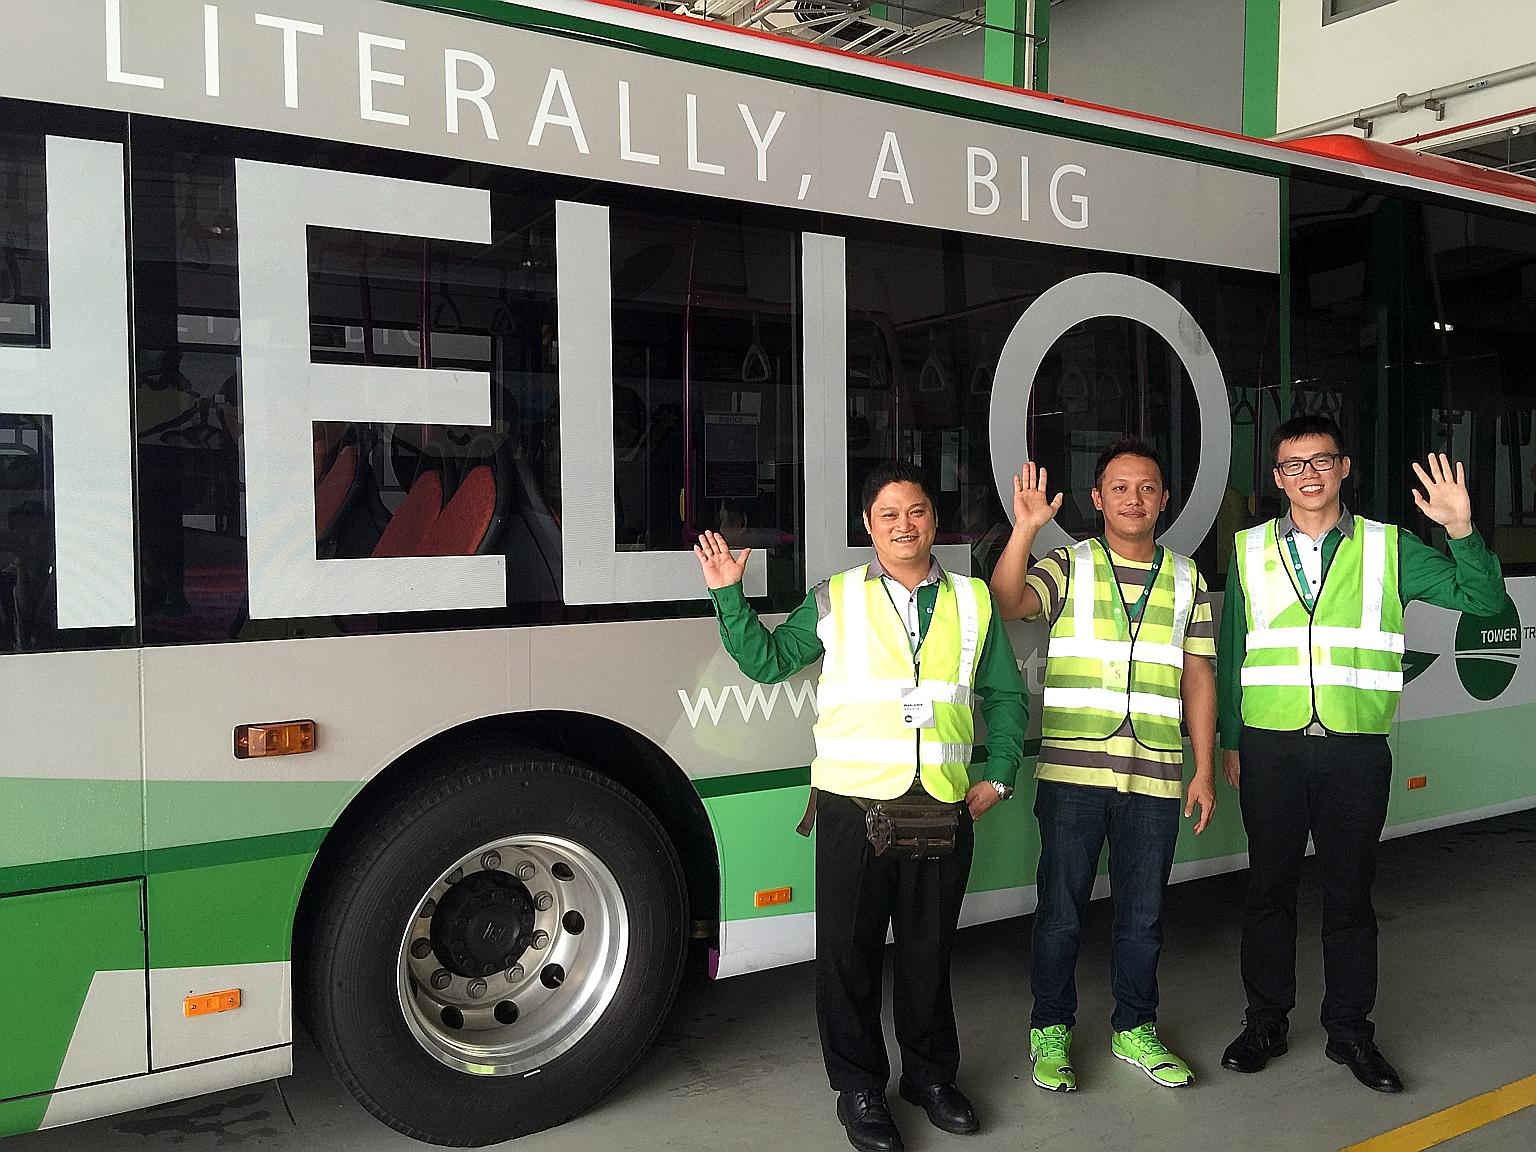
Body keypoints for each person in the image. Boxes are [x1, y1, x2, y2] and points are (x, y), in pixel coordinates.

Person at [695, 461, 1027, 1152]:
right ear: (868, 526)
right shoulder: (835, 597)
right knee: (847, 954)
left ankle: (931, 1078)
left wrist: (998, 774)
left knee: (929, 951)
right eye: (888, 514)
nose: (903, 525)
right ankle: (859, 1089)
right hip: (852, 806)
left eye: (916, 512)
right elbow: (767, 662)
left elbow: (1002, 693)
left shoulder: (971, 600)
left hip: (941, 803)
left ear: (934, 521)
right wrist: (730, 596)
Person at [1218, 414, 1509, 1093]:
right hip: (1271, 747)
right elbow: (1235, 649)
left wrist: (1461, 528)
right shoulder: (1248, 549)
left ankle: (1349, 1031)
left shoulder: (1389, 547)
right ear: (1277, 477)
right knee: (1269, 890)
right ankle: (1265, 1020)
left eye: (1321, 461)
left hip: (1355, 753)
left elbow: (1486, 599)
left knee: (1350, 896)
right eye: (1294, 465)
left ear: (1344, 468)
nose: (1309, 475)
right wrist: (1233, 742)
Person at [990, 438, 1217, 1093]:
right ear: (1097, 499)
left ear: (1164, 499)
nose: (1134, 499)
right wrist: (1025, 529)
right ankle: (1051, 1032)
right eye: (1120, 488)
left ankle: (1135, 1029)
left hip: (1155, 775)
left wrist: (1202, 770)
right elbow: (1007, 603)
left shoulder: (1186, 577)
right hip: (1073, 776)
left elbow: (1198, 674)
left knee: (1142, 916)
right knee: (1059, 912)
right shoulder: (1069, 565)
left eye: (1147, 488)